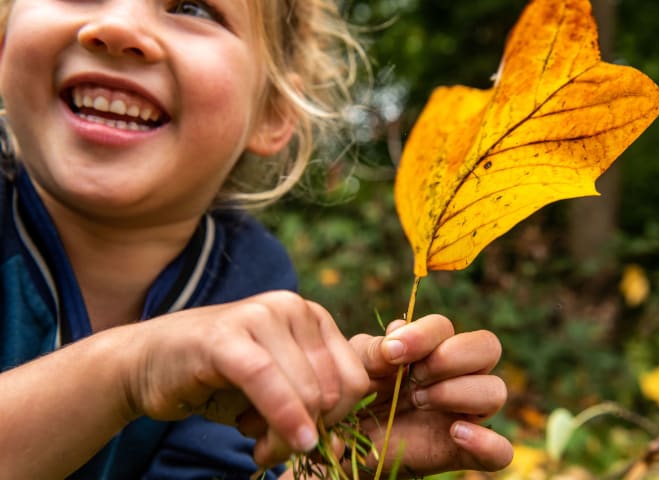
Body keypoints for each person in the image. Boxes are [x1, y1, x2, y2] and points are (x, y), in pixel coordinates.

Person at [0, 0, 514, 478]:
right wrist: (133, 370)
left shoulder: (251, 279)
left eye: (193, 7)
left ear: (272, 112)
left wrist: (324, 461)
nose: (117, 27)